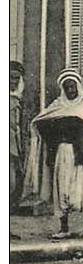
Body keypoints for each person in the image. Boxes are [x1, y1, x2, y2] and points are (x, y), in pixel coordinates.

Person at [26, 69, 83, 240]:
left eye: (73, 86)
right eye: (67, 87)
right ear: (63, 89)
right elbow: (42, 123)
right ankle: (64, 228)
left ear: (78, 86)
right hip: (62, 154)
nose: (70, 90)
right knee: (62, 190)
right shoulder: (58, 106)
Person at [10, 61, 25, 213]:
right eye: (11, 77)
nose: (13, 81)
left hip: (15, 144)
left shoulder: (18, 98)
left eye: (16, 78)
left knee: (15, 183)